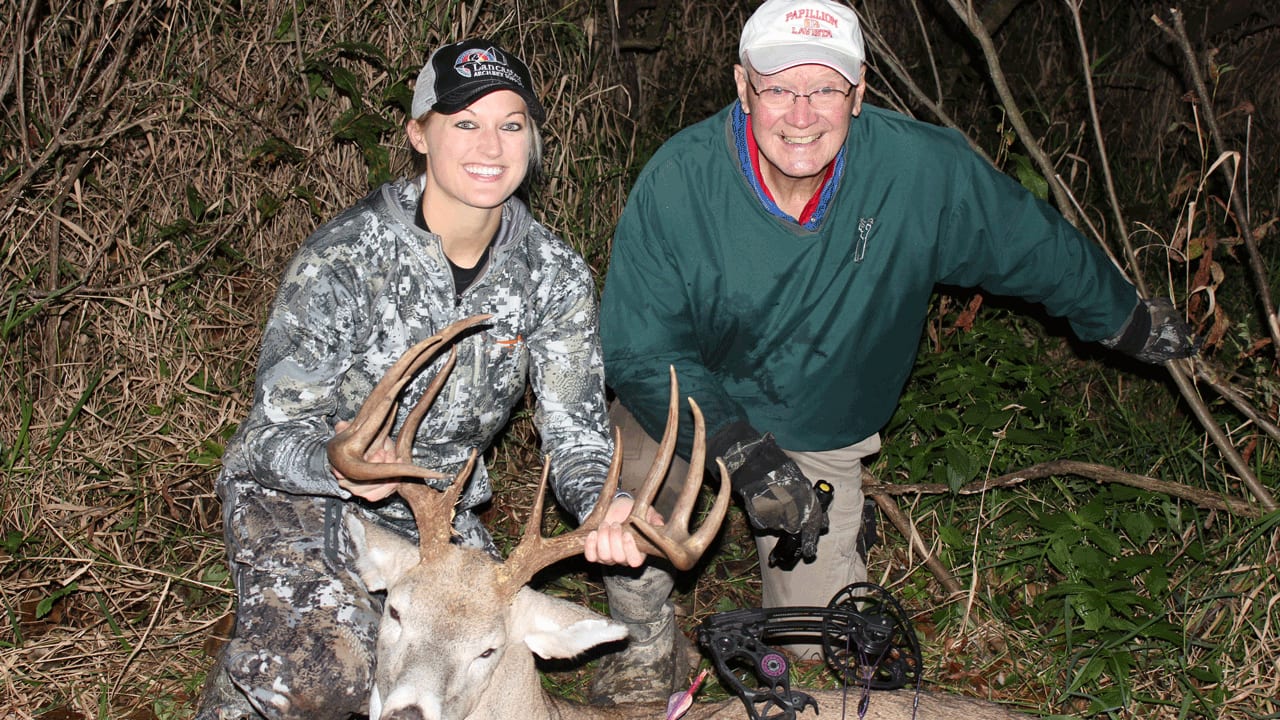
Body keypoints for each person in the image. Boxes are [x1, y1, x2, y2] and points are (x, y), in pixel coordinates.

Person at [590, 0, 1197, 704]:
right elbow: (639, 348)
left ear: (860, 92)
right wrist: (737, 447)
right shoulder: (680, 182)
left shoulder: (918, 170)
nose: (802, 113)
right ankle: (643, 638)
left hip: (820, 424)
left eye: (826, 89)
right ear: (743, 86)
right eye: (780, 87)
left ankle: (841, 529)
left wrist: (1121, 318)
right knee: (625, 477)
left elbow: (1030, 244)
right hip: (697, 408)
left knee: (820, 655)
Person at [195, 38, 650, 720]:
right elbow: (271, 435)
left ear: (532, 139)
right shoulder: (345, 258)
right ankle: (246, 689)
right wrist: (339, 462)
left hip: (438, 516)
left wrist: (600, 506)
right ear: (418, 134)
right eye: (464, 123)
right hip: (302, 494)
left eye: (511, 124)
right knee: (326, 681)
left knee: (480, 660)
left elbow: (577, 433)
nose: (490, 147)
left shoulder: (554, 276)